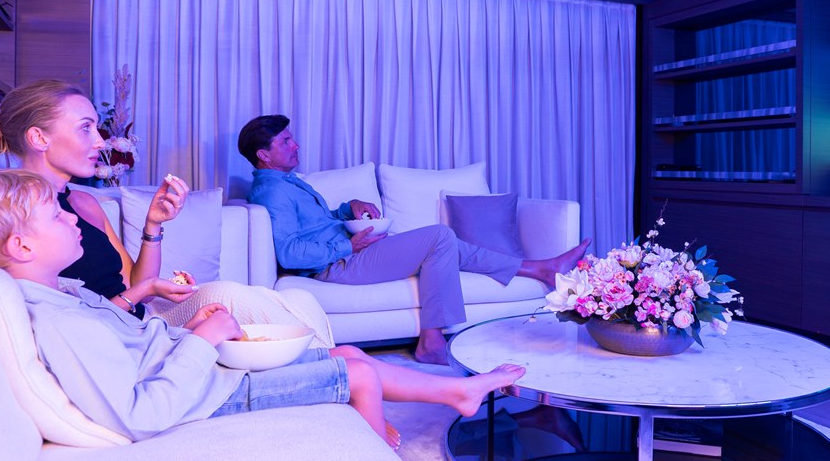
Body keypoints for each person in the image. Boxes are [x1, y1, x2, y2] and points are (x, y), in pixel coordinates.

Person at [0, 169, 527, 448]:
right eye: (58, 216)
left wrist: (191, 329)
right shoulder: (58, 321)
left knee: (344, 350)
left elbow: (127, 336)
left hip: (195, 368)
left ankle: (455, 394)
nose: (73, 220)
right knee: (359, 373)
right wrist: (202, 338)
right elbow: (141, 413)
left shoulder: (61, 294)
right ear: (23, 247)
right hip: (204, 394)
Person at [0, 80, 326, 339]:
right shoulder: (15, 213)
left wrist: (153, 225)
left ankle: (331, 369)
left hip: (141, 319)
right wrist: (146, 297)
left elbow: (137, 286)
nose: (100, 142)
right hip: (116, 336)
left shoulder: (84, 203)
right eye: (85, 129)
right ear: (39, 138)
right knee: (232, 296)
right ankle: (334, 370)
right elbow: (65, 319)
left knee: (299, 298)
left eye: (97, 128)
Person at [237, 114, 590, 365]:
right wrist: (349, 245)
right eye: (286, 141)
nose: (296, 145)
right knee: (439, 237)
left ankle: (538, 269)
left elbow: (315, 225)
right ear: (264, 155)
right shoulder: (271, 192)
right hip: (338, 264)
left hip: (346, 254)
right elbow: (290, 252)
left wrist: (347, 208)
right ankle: (431, 339)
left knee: (446, 245)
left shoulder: (287, 182)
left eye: (292, 138)